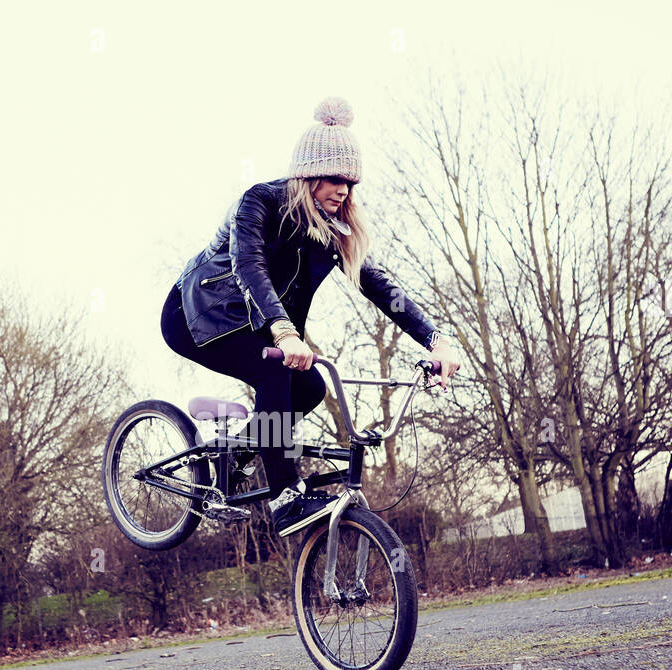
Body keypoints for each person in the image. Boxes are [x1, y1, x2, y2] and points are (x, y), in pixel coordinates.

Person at [161, 96, 460, 537]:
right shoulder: (260, 202)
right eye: (334, 178)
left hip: (260, 326)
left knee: (311, 387)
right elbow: (250, 267)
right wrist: (284, 333)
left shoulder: (333, 230)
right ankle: (284, 498)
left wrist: (436, 341)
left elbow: (379, 285)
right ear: (308, 174)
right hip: (200, 316)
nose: (343, 190)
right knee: (275, 371)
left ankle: (243, 451)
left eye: (350, 183)